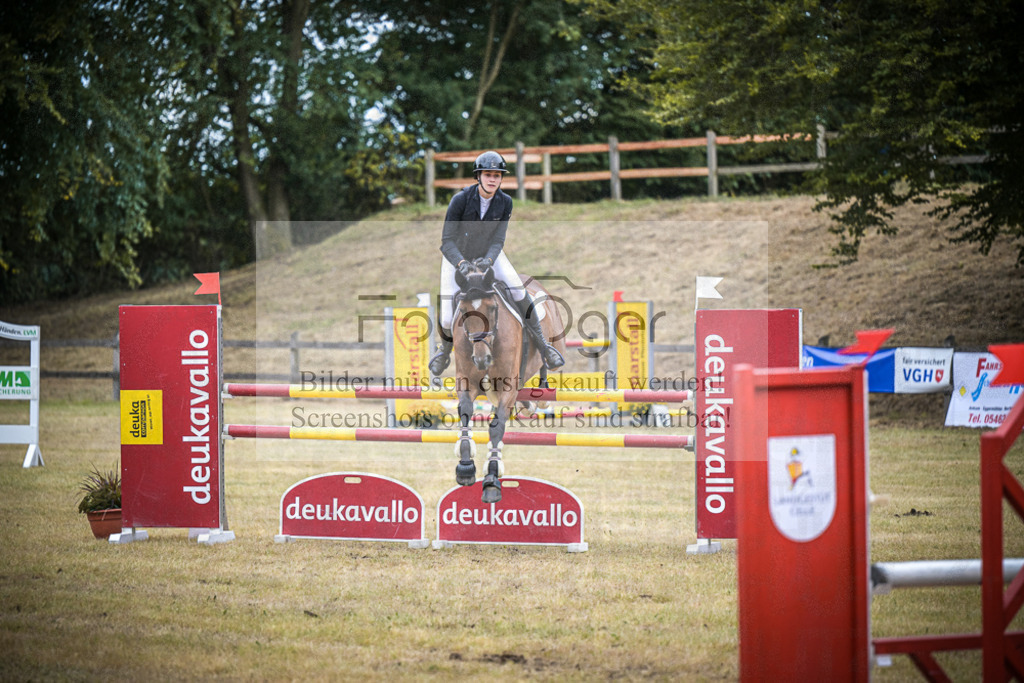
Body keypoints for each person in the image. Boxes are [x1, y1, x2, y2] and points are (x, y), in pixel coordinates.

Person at [429, 150, 564, 376]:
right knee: (445, 316)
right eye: (488, 174)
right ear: (478, 176)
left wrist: (489, 260)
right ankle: (444, 351)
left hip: (489, 257)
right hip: (456, 258)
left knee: (519, 291)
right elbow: (447, 240)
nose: (493, 179)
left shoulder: (505, 202)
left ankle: (544, 346)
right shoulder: (460, 200)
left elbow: (499, 239)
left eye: (497, 175)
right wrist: (461, 263)